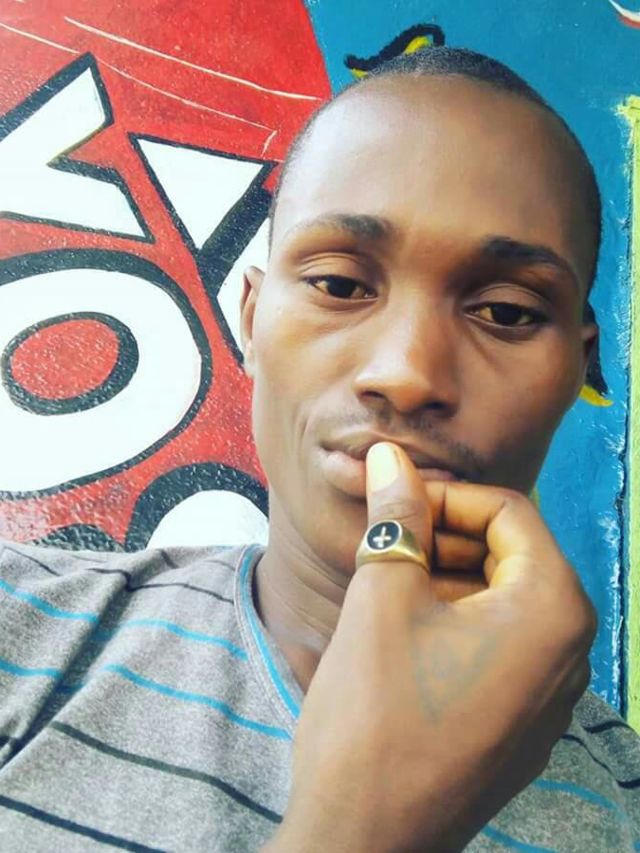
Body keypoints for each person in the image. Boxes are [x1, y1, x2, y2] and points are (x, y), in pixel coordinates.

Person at [1, 45, 639, 852]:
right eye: (340, 285)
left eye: (507, 312)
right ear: (251, 320)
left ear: (578, 369)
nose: (407, 373)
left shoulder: (623, 801)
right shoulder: (19, 630)